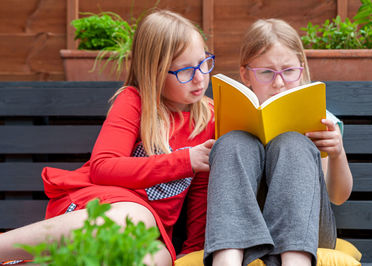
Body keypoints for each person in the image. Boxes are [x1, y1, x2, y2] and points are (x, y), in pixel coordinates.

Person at [0, 10, 216, 266]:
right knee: (134, 217)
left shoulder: (207, 117)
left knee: (155, 259)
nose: (200, 78)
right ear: (154, 71)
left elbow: (201, 191)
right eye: (185, 71)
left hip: (151, 231)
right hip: (101, 205)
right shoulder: (135, 102)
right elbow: (103, 167)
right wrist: (184, 161)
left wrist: (191, 250)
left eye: (204, 63)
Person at [204, 18, 353, 266]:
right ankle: (226, 259)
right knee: (234, 142)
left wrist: (336, 154)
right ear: (245, 74)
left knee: (293, 144)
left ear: (302, 68)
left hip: (309, 232)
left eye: (289, 71)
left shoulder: (321, 119)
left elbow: (337, 196)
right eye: (266, 73)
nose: (279, 83)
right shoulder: (230, 113)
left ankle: (297, 261)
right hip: (241, 228)